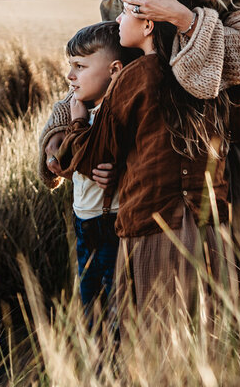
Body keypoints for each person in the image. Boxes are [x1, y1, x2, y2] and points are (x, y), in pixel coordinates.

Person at [57, 0, 240, 311]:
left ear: (147, 27)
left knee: (154, 336)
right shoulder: (203, 71)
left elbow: (93, 154)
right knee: (209, 328)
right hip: (210, 220)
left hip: (153, 222)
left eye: (127, 12)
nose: (117, 20)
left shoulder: (135, 77)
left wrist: (74, 120)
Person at [40, 21, 141, 309]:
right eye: (70, 66)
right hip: (83, 221)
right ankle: (95, 351)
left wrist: (77, 125)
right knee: (89, 301)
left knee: (116, 303)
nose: (70, 76)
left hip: (111, 222)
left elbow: (92, 154)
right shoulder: (78, 105)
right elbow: (64, 156)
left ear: (115, 70)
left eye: (80, 67)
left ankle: (115, 352)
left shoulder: (116, 115)